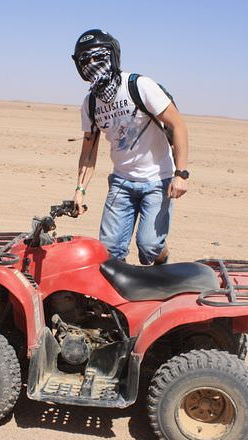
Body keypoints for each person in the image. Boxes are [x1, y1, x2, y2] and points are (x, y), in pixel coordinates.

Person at [70, 29, 190, 265]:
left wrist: (181, 174)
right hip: (121, 182)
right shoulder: (91, 103)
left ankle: (161, 261)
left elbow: (178, 126)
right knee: (109, 252)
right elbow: (88, 151)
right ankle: (121, 298)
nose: (92, 64)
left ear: (112, 56)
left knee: (150, 248)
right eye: (85, 60)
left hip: (158, 180)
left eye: (98, 57)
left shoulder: (139, 86)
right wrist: (79, 190)